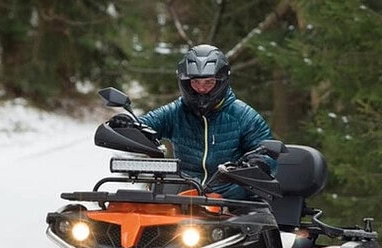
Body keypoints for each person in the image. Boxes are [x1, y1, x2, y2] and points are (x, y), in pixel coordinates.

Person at [109, 44, 275, 200]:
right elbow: (146, 123)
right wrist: (128, 123)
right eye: (195, 82)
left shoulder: (243, 115)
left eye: (209, 82)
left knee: (256, 223)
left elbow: (266, 151)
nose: (201, 89)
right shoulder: (176, 111)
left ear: (221, 81)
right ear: (185, 83)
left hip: (230, 201)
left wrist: (258, 163)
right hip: (184, 196)